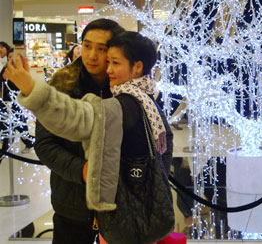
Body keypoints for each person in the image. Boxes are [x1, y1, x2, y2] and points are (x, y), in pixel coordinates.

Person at [5, 31, 174, 243]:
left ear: (137, 66)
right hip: (141, 210)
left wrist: (30, 87)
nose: (108, 68)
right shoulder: (148, 100)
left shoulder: (120, 105)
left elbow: (73, 117)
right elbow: (166, 146)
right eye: (87, 46)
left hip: (124, 216)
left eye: (114, 62)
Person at [25, 18, 124, 244]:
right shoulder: (61, 85)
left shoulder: (127, 87)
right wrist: (83, 171)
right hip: (72, 203)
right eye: (87, 46)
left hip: (121, 204)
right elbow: (45, 144)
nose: (91, 55)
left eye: (101, 49)